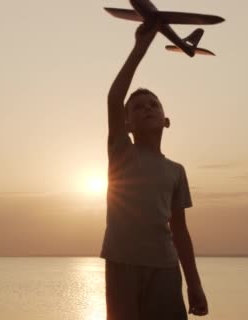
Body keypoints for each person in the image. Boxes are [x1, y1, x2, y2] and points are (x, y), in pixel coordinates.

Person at [100, 21, 208, 319]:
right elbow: (113, 99)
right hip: (123, 264)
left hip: (165, 267)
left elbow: (181, 232)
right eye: (137, 107)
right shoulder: (122, 154)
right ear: (127, 125)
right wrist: (140, 47)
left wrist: (194, 284)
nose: (147, 108)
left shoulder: (176, 171)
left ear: (166, 120)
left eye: (153, 105)